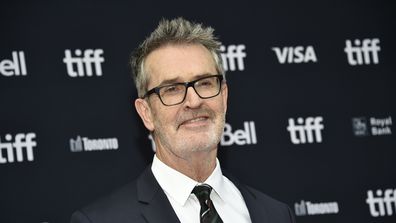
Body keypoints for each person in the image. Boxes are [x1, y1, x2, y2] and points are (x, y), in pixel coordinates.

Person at [71, 17, 296, 223]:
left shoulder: (276, 214)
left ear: (224, 97)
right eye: (172, 89)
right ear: (146, 113)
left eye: (205, 82)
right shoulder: (100, 220)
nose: (194, 101)